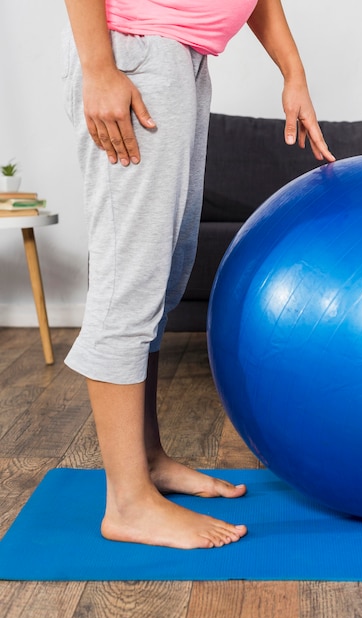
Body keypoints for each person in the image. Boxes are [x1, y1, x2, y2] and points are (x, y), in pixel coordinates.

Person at [62, 0, 335, 550]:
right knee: (130, 284)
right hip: (133, 53)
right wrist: (98, 68)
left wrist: (293, 72)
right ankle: (128, 504)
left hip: (182, 61)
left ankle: (148, 462)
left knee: (162, 280)